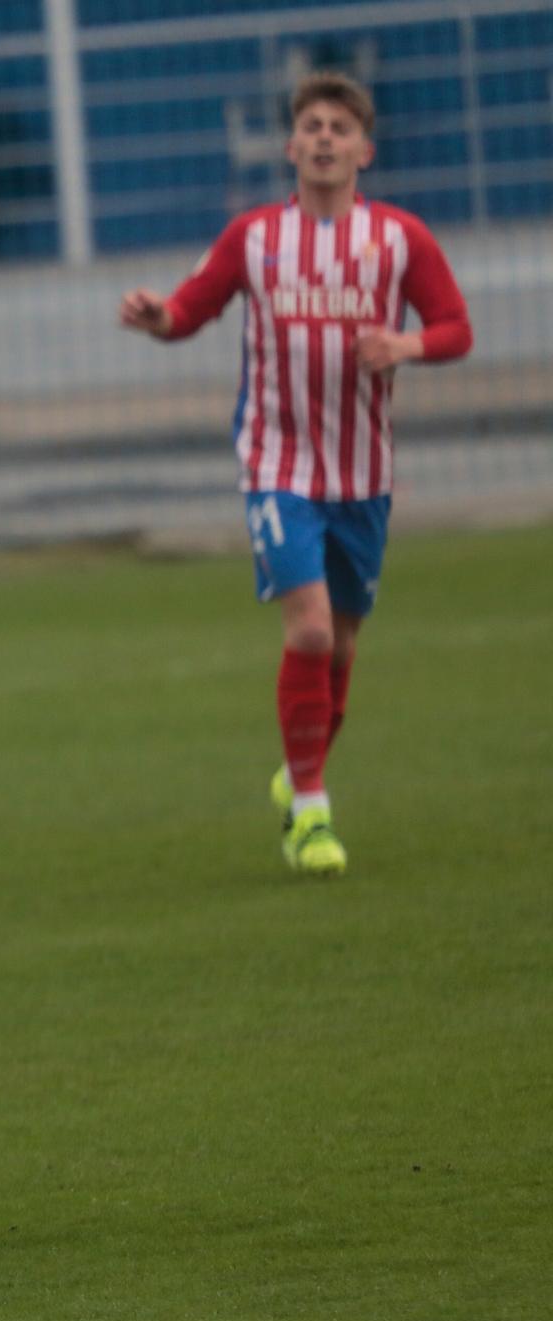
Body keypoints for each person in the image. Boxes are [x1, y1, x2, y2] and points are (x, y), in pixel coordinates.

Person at [118, 72, 471, 876]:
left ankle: (297, 772)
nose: (322, 137)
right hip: (278, 462)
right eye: (310, 124)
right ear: (290, 145)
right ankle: (311, 810)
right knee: (309, 627)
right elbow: (191, 310)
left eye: (338, 127)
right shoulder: (254, 237)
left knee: (340, 647)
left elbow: (455, 326)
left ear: (363, 150)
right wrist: (156, 318)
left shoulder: (400, 239)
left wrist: (406, 345)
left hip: (364, 470)